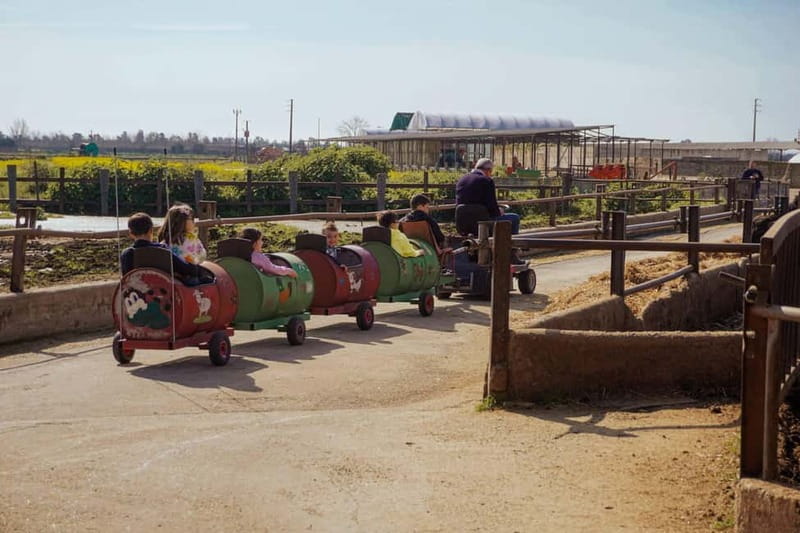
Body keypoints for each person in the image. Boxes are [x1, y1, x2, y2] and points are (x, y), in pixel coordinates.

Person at [456, 158, 524, 264]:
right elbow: (491, 206)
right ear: (488, 170)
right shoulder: (486, 181)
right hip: (484, 222)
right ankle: (511, 253)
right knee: (514, 218)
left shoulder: (462, 180)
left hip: (464, 223)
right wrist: (500, 211)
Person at [119, 212, 204, 283]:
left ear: (131, 233)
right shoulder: (162, 249)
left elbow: (126, 278)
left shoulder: (127, 254)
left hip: (136, 296)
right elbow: (185, 269)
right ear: (150, 230)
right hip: (164, 294)